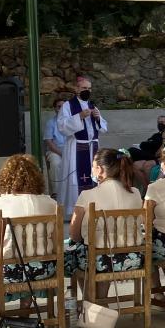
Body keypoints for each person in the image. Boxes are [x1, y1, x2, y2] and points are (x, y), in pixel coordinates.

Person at [64, 149, 146, 297]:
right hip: (133, 256)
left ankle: (92, 302)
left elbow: (74, 234)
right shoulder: (135, 193)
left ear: (100, 169)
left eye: (93, 166)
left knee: (75, 252)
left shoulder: (88, 195)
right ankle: (100, 299)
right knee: (95, 249)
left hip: (99, 259)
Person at [0, 155, 60, 285]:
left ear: (6, 178)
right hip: (43, 269)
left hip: (6, 271)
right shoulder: (51, 203)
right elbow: (56, 243)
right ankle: (27, 301)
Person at [56, 75, 107, 223]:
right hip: (77, 146)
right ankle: (75, 211)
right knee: (77, 178)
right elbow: (62, 126)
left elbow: (103, 127)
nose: (87, 91)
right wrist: (78, 116)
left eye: (89, 88)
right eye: (84, 88)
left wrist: (98, 117)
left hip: (93, 146)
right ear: (77, 89)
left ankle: (94, 208)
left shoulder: (92, 105)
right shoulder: (68, 106)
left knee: (95, 176)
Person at [44, 96, 67, 199]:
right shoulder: (51, 123)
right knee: (56, 163)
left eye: (64, 107)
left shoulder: (72, 121)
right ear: (55, 109)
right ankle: (56, 192)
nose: (61, 109)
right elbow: (49, 142)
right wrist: (61, 153)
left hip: (69, 149)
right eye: (59, 107)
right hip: (55, 151)